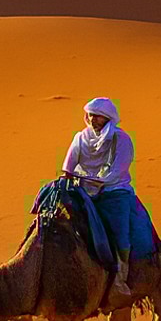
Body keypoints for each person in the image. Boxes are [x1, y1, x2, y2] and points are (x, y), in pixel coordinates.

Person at [61, 97, 136, 309]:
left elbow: (117, 172)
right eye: (91, 115)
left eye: (98, 116)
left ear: (108, 118)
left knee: (119, 230)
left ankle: (122, 275)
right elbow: (68, 166)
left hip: (114, 190)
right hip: (83, 191)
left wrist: (94, 182)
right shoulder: (80, 138)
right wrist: (69, 181)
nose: (94, 119)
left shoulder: (121, 139)